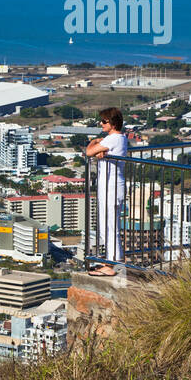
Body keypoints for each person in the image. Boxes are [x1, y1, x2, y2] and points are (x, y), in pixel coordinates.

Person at [85, 107, 127, 275]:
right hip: (113, 187)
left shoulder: (112, 139)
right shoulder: (120, 139)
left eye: (104, 121)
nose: (101, 124)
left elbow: (88, 152)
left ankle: (111, 265)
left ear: (113, 123)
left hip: (111, 188)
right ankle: (112, 261)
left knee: (109, 227)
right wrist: (100, 149)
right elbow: (95, 153)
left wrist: (95, 142)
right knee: (109, 225)